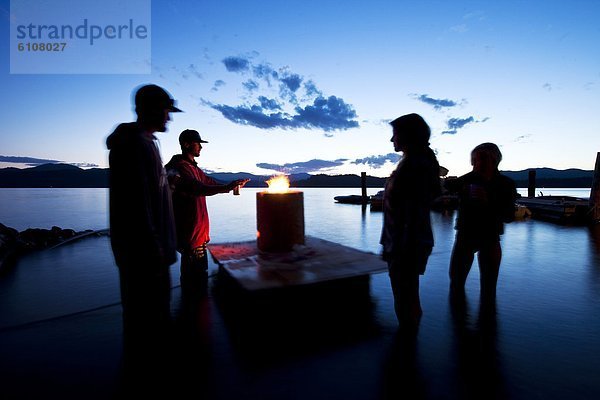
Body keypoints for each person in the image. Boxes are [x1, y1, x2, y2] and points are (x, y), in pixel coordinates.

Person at [106, 84, 180, 390]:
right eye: (165, 111)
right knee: (144, 321)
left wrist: (169, 180)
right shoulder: (132, 144)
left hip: (153, 248)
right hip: (143, 251)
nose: (169, 118)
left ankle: (149, 375)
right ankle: (144, 382)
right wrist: (154, 245)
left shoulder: (148, 143)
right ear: (148, 109)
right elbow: (135, 201)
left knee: (154, 318)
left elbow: (151, 187)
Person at [165, 129, 249, 291]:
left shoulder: (193, 168)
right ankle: (191, 312)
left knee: (199, 279)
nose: (201, 147)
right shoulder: (178, 168)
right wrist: (226, 187)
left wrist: (231, 185)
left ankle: (193, 311)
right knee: (194, 282)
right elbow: (197, 188)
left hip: (199, 235)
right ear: (186, 144)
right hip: (190, 236)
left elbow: (209, 182)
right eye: (198, 144)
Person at [380, 113, 441, 326]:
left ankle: (407, 344)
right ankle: (409, 343)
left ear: (408, 135)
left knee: (404, 296)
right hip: (406, 240)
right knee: (408, 294)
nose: (391, 139)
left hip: (406, 243)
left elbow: (411, 211)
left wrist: (397, 247)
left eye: (395, 134)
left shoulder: (415, 166)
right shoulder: (416, 162)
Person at [445, 142, 517, 305]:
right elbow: (442, 187)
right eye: (475, 159)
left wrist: (488, 201)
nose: (478, 163)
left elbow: (509, 216)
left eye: (483, 158)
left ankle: (486, 326)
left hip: (490, 237)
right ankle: (460, 323)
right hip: (464, 236)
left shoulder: (506, 184)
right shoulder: (466, 180)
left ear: (495, 160)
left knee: (489, 289)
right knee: (456, 284)